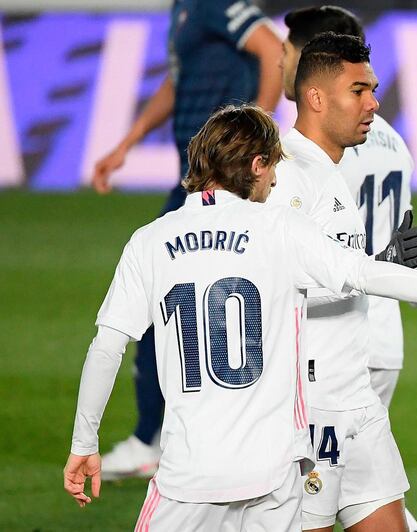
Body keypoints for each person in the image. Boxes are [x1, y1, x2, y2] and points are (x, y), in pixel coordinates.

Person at [63, 104, 417, 530]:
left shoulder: (149, 242)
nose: (276, 181)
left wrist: (84, 444)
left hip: (188, 477)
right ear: (255, 165)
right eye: (272, 166)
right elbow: (363, 272)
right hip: (273, 474)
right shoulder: (279, 229)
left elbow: (107, 347)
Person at [89, 0, 285, 479]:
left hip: (222, 183)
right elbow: (179, 83)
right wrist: (127, 143)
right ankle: (170, 434)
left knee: (165, 302)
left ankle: (153, 437)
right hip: (198, 179)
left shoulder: (215, 3)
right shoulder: (185, 10)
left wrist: (250, 139)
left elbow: (273, 51)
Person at [268, 33, 417, 532]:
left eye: (374, 89)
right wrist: (374, 268)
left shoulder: (331, 170)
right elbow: (278, 287)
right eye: (359, 90)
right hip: (311, 403)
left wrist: (377, 262)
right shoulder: (288, 176)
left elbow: (333, 269)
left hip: (355, 395)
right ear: (316, 98)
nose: (374, 102)